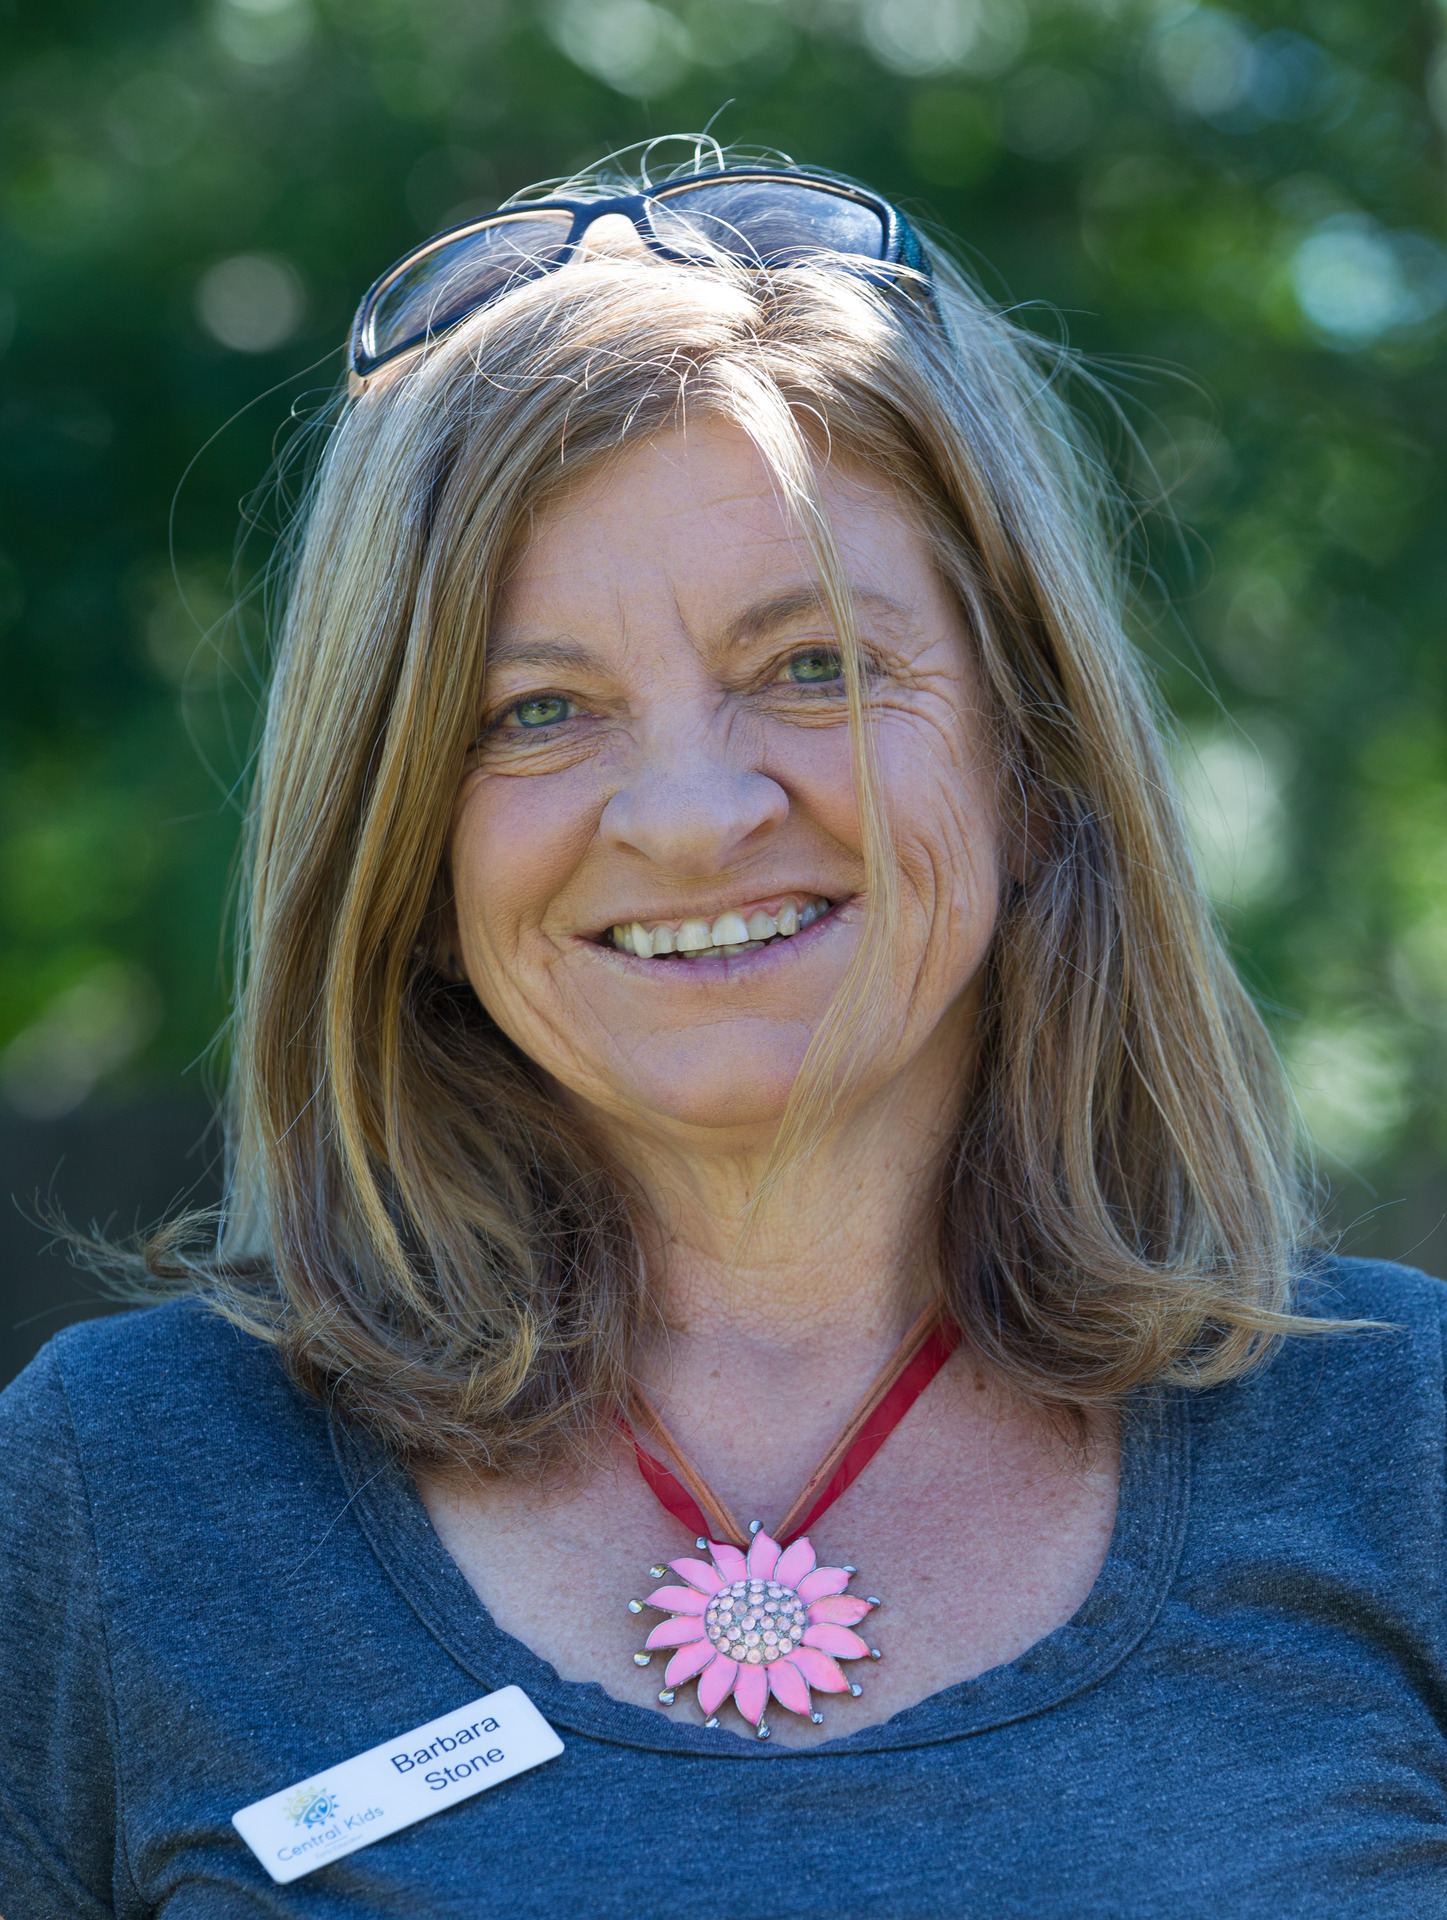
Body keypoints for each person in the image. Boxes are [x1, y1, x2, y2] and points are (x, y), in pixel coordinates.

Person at [2, 147, 1445, 1920]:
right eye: (537, 710)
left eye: (814, 666)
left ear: (1034, 758)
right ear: (406, 844)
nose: (689, 815)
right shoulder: (118, 1497)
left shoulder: (1408, 1447)